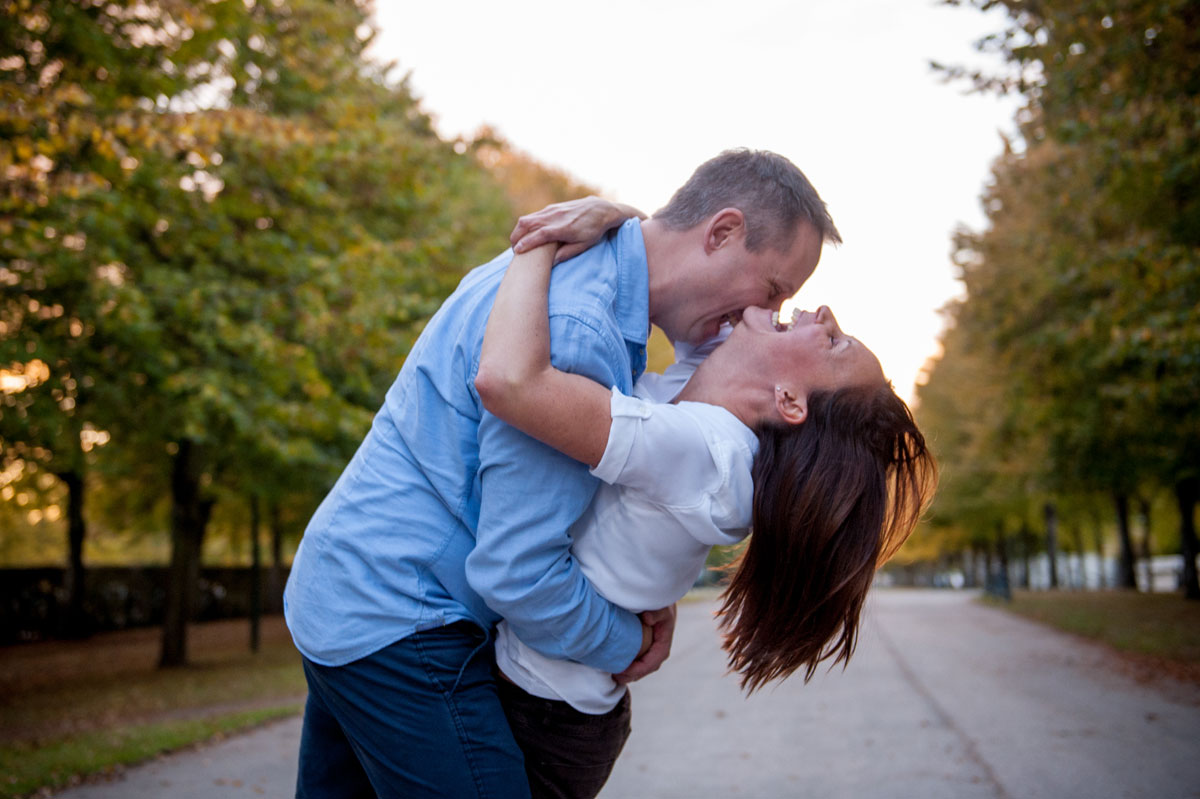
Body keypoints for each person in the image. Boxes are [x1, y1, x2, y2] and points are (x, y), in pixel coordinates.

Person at [283, 149, 843, 798]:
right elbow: (518, 572)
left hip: (346, 585)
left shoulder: (578, 261)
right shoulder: (579, 330)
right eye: (772, 291)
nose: (758, 317)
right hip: (399, 617)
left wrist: (622, 216)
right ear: (721, 233)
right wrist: (627, 641)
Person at [475, 243, 937, 797]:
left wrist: (537, 245)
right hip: (552, 695)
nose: (824, 313)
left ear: (789, 400)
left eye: (834, 342)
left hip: (541, 716)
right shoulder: (713, 396)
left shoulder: (709, 455)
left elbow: (513, 385)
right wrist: (610, 215)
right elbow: (695, 291)